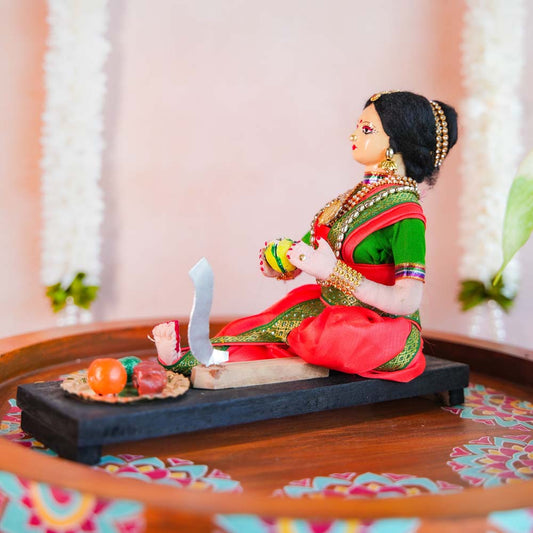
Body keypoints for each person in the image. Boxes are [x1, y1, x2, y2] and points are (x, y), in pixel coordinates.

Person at [164, 91, 458, 381]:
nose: (353, 136)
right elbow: (312, 248)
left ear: (396, 142)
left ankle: (213, 365)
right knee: (263, 326)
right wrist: (285, 262)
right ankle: (192, 360)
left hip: (382, 328)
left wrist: (332, 271)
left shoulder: (406, 214)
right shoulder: (353, 199)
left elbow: (407, 302)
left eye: (366, 129)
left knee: (324, 339)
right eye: (357, 127)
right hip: (332, 310)